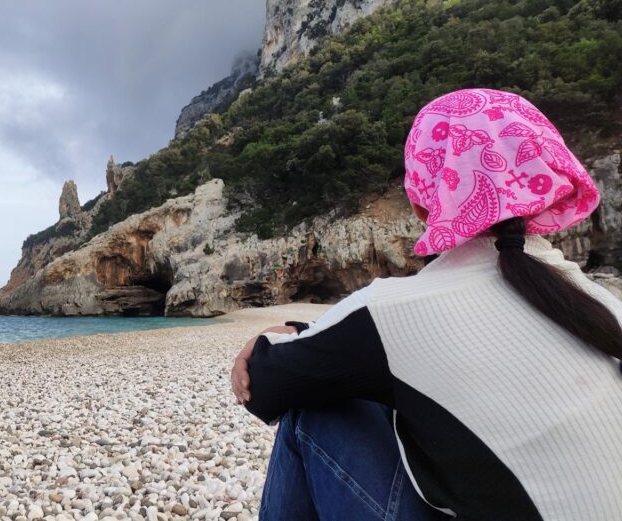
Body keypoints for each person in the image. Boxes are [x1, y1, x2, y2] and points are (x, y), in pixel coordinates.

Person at [230, 88, 622, 521]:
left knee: (317, 407)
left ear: (420, 201)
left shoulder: (395, 312)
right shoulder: (599, 305)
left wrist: (272, 339)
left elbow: (264, 389)